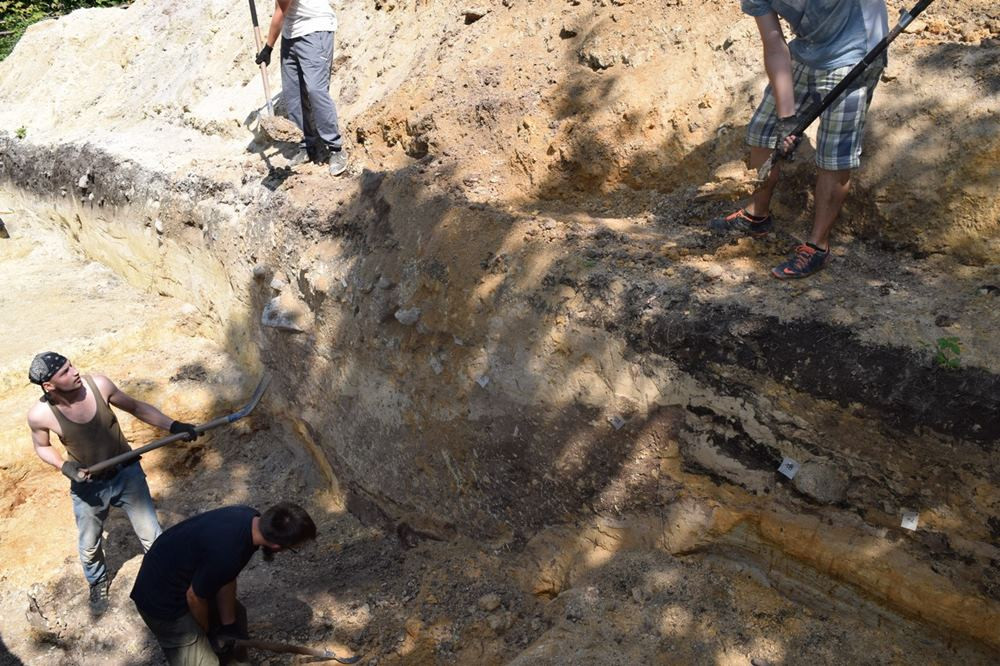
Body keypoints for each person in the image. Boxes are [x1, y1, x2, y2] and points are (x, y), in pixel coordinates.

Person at [711, 0, 889, 278]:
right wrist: (787, 118)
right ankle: (757, 215)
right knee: (764, 130)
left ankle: (817, 246)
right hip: (807, 51)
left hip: (857, 53)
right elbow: (774, 46)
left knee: (833, 154)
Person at [25, 352, 200, 614]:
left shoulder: (99, 385)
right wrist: (65, 466)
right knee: (89, 542)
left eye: (71, 365)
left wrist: (173, 425)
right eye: (64, 372)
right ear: (48, 385)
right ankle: (97, 582)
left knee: (153, 534)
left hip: (127, 472)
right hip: (88, 485)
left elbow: (137, 407)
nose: (74, 372)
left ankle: (171, 580)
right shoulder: (40, 415)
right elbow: (42, 446)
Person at [130, 503, 317, 665]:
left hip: (183, 580)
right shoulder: (228, 552)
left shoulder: (250, 519)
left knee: (237, 614)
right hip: (161, 602)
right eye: (293, 548)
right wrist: (205, 633)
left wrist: (229, 626)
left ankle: (232, 658)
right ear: (277, 546)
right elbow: (195, 597)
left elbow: (226, 577)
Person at [255, 0, 347, 176]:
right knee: (293, 93)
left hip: (315, 29)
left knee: (315, 90)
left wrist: (268, 48)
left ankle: (336, 148)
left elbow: (281, 11)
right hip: (290, 34)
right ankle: (305, 145)